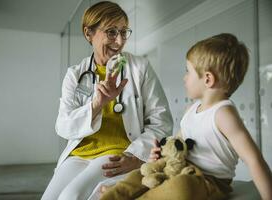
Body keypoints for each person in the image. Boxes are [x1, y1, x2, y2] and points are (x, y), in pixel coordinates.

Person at [100, 33, 272, 200]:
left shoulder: (224, 114)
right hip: (178, 168)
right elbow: (179, 143)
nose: (184, 78)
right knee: (140, 174)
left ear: (208, 79)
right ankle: (115, 194)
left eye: (188, 72)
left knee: (181, 188)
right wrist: (162, 154)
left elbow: (254, 160)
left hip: (208, 181)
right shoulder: (192, 109)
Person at [41, 1, 173, 200]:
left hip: (116, 153)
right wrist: (96, 105)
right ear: (89, 33)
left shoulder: (140, 68)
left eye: (123, 32)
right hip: (79, 153)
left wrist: (136, 156)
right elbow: (63, 126)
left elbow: (161, 121)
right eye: (111, 32)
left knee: (71, 196)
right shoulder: (75, 74)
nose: (119, 41)